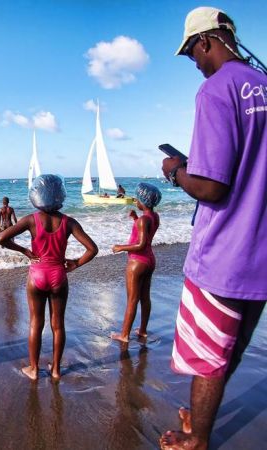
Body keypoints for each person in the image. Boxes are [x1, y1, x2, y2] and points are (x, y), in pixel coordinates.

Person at [160, 7, 267, 450]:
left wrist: (175, 170)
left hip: (225, 253)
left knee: (208, 354)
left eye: (191, 53)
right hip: (262, 255)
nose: (194, 63)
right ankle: (201, 416)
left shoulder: (216, 89)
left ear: (205, 41)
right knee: (233, 347)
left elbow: (211, 187)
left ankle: (197, 438)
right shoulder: (263, 83)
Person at [0, 175, 98, 380]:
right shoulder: (69, 222)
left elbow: (1, 238)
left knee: (36, 323)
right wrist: (76, 263)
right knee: (58, 325)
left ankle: (33, 369)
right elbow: (92, 249)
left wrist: (24, 250)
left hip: (37, 275)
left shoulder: (31, 220)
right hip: (58, 276)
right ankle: (56, 370)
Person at [110, 183, 162, 343]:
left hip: (137, 262)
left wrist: (121, 247)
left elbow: (140, 244)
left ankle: (124, 335)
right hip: (150, 260)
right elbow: (146, 231)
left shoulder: (143, 220)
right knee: (145, 297)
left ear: (143, 201)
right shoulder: (154, 217)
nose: (136, 202)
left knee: (132, 299)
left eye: (137, 200)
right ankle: (143, 330)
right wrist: (135, 218)